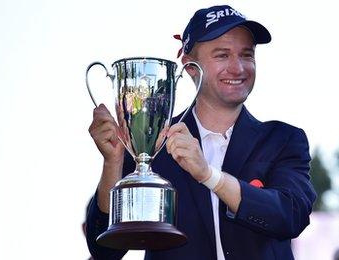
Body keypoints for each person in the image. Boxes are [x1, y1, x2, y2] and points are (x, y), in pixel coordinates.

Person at [85, 5, 316, 260]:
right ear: (190, 66)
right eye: (222, 55)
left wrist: (208, 175)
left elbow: (290, 216)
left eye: (247, 55)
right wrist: (113, 162)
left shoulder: (283, 139)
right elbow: (105, 251)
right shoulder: (153, 141)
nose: (238, 67)